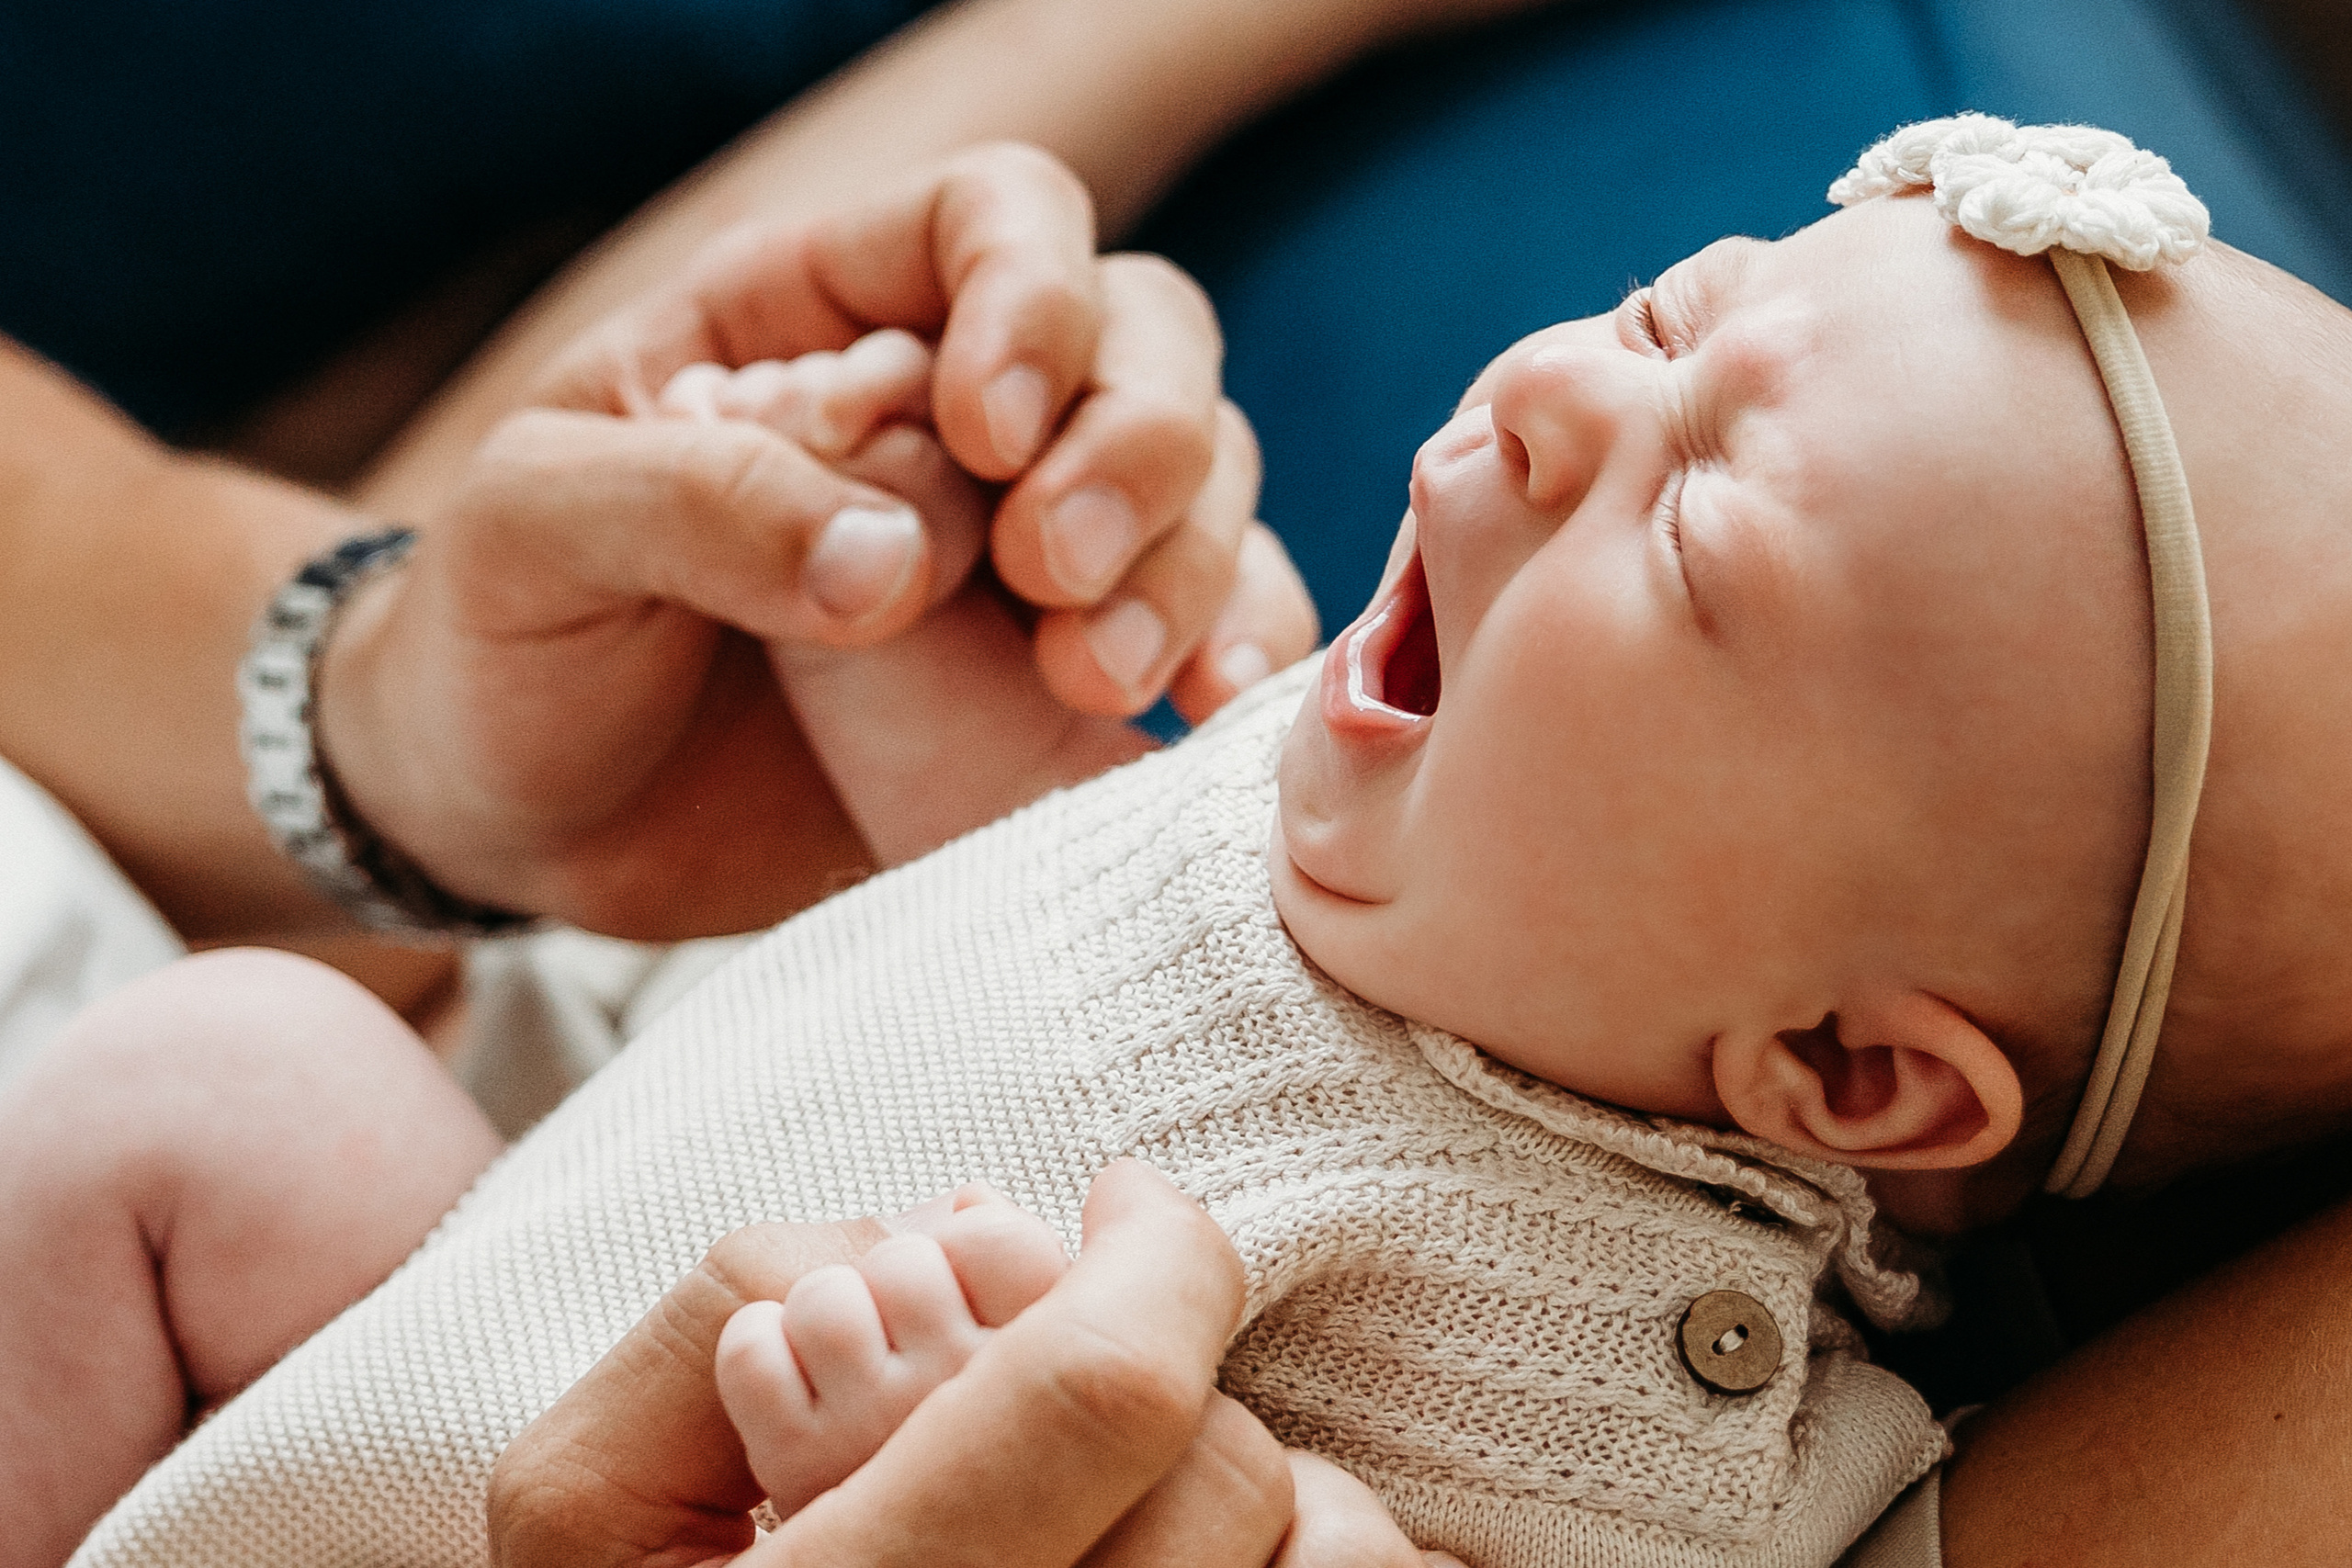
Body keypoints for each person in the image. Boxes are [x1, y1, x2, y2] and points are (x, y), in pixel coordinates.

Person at [40, 120, 2352, 1565]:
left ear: (1846, 1075)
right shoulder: (1359, 804)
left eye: (1701, 534)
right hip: (373, 1387)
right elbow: (1015, 923)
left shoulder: (1654, 1402)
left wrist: (904, 1451)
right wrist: (855, 561)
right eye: (1670, 311)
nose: (1554, 393)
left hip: (649, 1498)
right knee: (247, 1085)